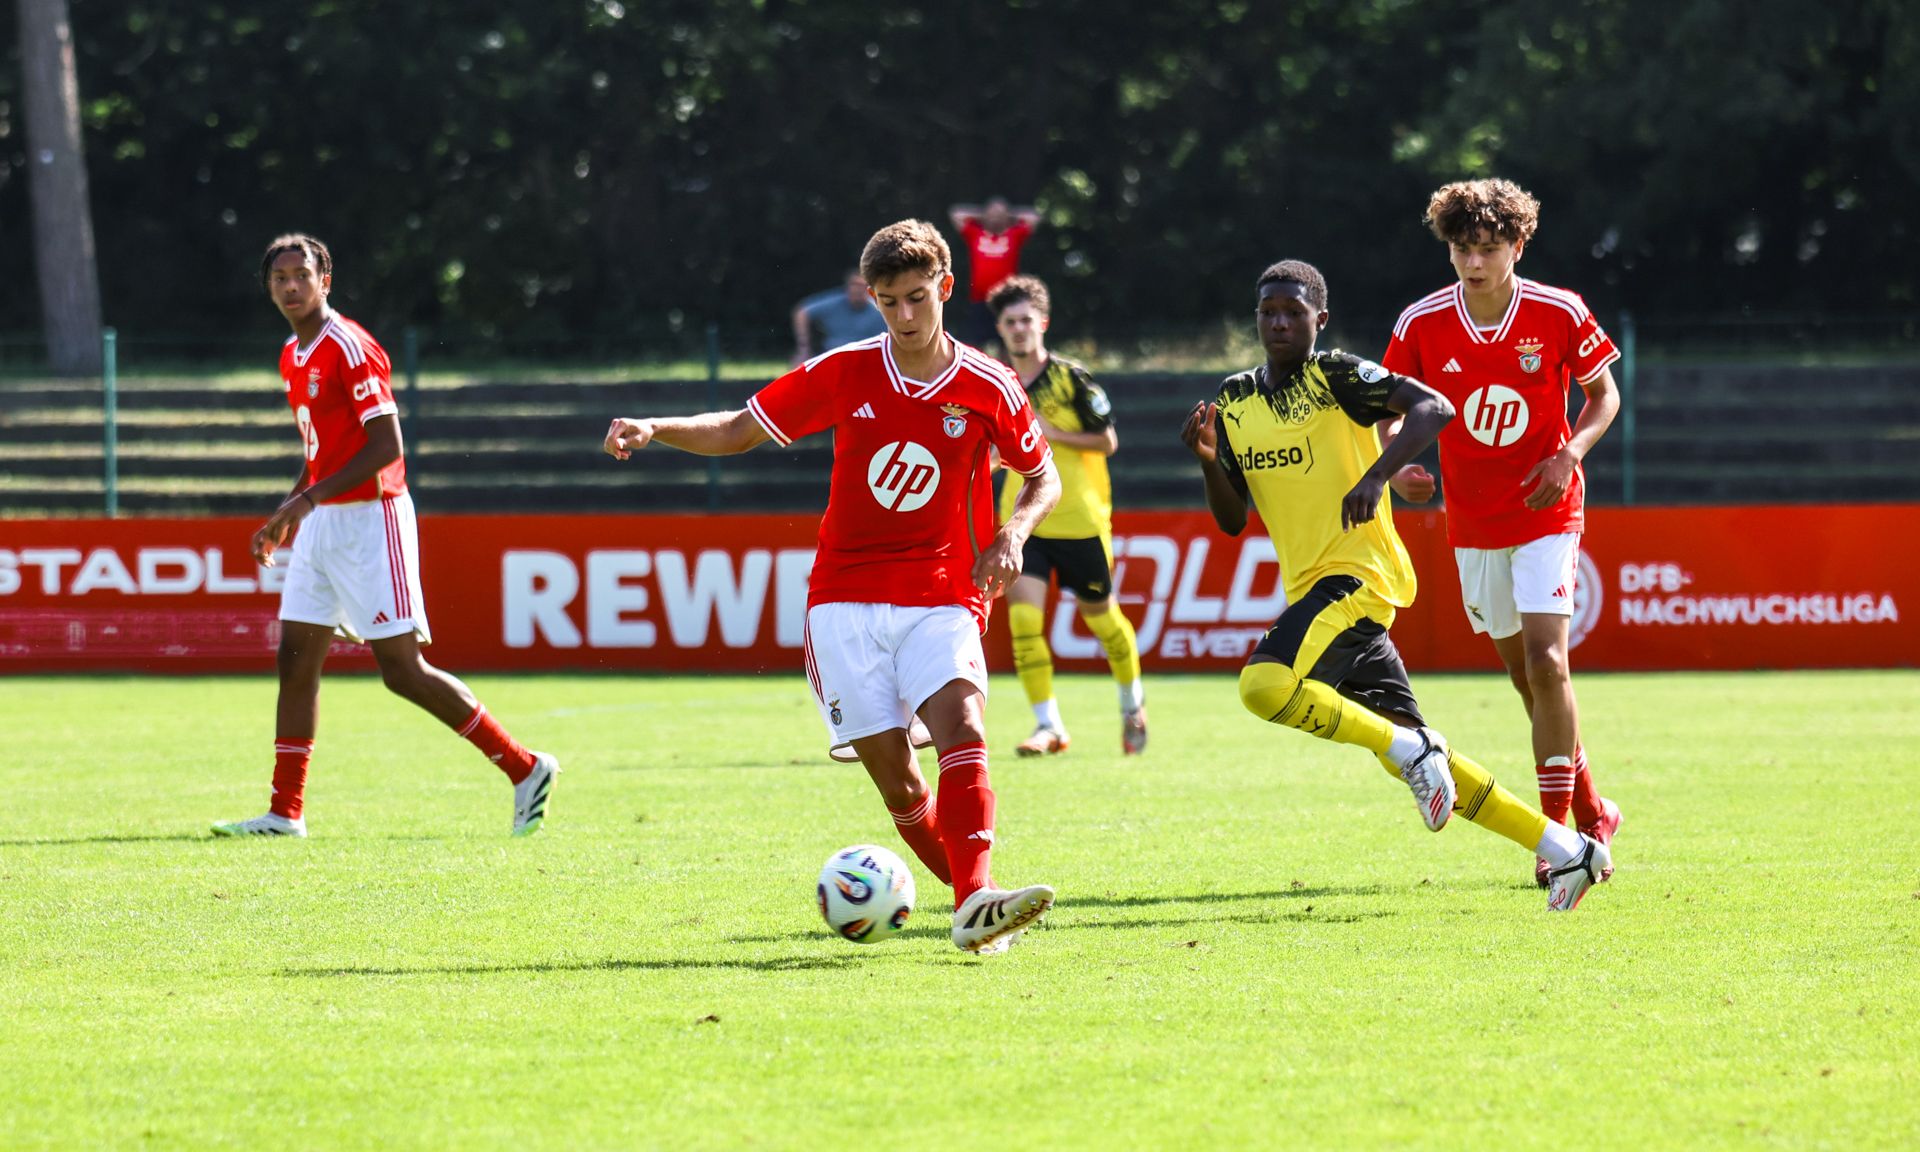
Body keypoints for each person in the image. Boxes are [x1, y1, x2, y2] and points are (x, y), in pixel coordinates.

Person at [604, 220, 1062, 953]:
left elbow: (1043, 473)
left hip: (943, 588)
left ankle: (977, 899)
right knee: (901, 785)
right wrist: (657, 426)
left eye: (918, 298)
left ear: (945, 287)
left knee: (964, 729)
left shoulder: (988, 385)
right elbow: (737, 430)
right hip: (843, 600)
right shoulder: (847, 370)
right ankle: (971, 902)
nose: (905, 317)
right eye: (888, 303)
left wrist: (1012, 534)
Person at [1178, 259, 1610, 911]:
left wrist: (1379, 475)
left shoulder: (1339, 376)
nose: (1279, 322)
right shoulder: (1236, 399)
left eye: (1294, 312)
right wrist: (1211, 462)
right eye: (1268, 311)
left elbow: (1433, 408)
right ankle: (1567, 850)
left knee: (1263, 685)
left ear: (1319, 321)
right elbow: (1233, 519)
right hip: (1316, 591)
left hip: (1359, 576)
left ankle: (1412, 750)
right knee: (1420, 758)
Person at [213, 234, 557, 838]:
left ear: (326, 279)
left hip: (373, 519)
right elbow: (322, 454)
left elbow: (387, 447)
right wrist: (291, 511)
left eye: (302, 274)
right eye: (279, 278)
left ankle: (525, 768)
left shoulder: (351, 346)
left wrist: (309, 499)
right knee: (295, 663)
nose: (291, 286)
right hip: (322, 523)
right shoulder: (293, 352)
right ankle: (284, 813)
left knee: (402, 670)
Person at [1381, 178, 1623, 888]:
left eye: (1488, 248)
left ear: (1518, 245)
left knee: (1549, 664)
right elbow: (1386, 409)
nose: (1475, 262)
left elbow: (1604, 394)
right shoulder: (1423, 322)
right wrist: (1397, 467)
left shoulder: (1558, 310)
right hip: (1474, 520)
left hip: (1548, 507)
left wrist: (1568, 454)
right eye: (1462, 248)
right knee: (1523, 677)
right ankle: (1593, 811)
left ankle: (1558, 848)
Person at [986, 274, 1146, 757]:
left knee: (1103, 621)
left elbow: (1108, 441)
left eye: (1026, 321)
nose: (1018, 330)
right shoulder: (996, 381)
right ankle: (1048, 725)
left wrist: (1050, 432)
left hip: (1081, 521)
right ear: (1001, 327)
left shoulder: (1071, 378)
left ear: (1043, 324)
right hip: (1026, 523)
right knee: (1023, 624)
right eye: (1010, 322)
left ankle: (1131, 704)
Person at [948, 197, 1040, 346]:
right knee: (975, 342)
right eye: (992, 214)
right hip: (979, 299)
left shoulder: (1014, 234)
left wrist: (1009, 214)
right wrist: (983, 214)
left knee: (1007, 342)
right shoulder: (976, 233)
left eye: (999, 214)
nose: (995, 217)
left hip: (1006, 300)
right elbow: (955, 213)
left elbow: (1034, 217)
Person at [790, 270, 887, 364]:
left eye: (862, 286)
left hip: (866, 358)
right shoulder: (833, 303)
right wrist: (804, 347)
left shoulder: (880, 310)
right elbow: (802, 313)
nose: (857, 290)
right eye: (854, 285)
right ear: (847, 287)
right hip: (832, 355)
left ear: (870, 290)